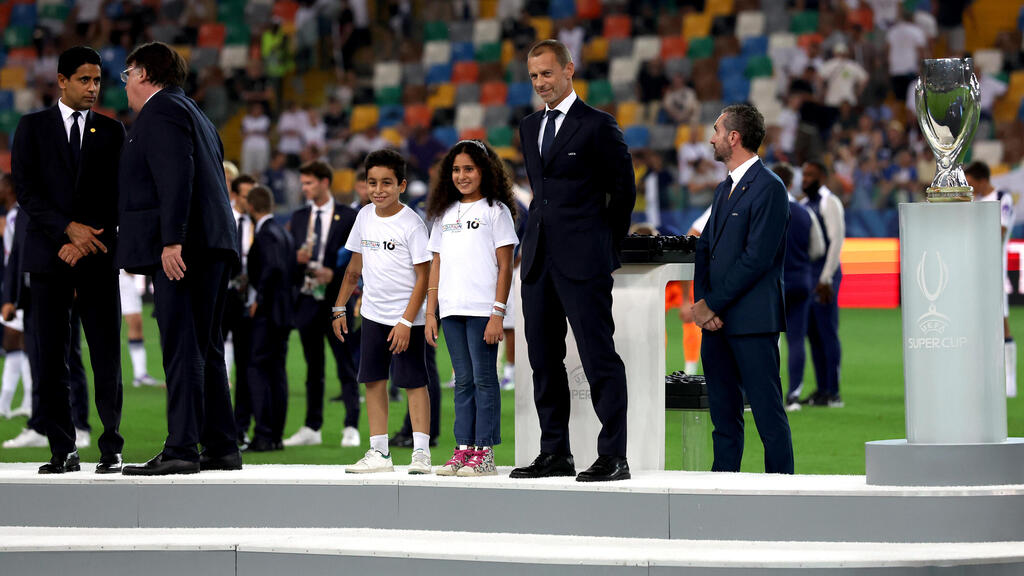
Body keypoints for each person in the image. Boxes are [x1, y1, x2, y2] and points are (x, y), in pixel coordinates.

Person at [510, 40, 636, 482]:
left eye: (547, 74)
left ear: (569, 70)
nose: (540, 83)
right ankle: (555, 452)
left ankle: (614, 456)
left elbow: (624, 194)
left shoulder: (599, 126)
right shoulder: (528, 127)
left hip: (584, 262)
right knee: (543, 360)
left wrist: (604, 246)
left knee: (598, 357)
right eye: (533, 77)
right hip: (538, 260)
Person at [117, 42, 240, 475]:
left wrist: (173, 241)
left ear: (146, 73)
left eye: (127, 74)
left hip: (186, 250)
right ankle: (223, 445)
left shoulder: (161, 111)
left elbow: (175, 175)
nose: (125, 84)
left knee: (182, 344)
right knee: (205, 347)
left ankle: (182, 448)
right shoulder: (195, 113)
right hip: (211, 245)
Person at [11, 46, 126, 475]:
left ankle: (111, 445)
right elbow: (26, 192)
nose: (93, 88)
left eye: (97, 80)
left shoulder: (113, 133)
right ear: (61, 80)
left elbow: (119, 196)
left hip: (95, 255)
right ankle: (63, 448)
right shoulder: (32, 127)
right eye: (84, 80)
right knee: (51, 358)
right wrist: (66, 230)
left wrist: (82, 239)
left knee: (105, 355)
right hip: (48, 258)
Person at [693, 103, 794, 474]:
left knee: (768, 417)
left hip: (752, 323)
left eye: (717, 131)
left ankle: (781, 494)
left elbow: (757, 259)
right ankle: (723, 490)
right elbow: (705, 248)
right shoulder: (724, 190)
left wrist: (711, 305)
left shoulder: (770, 188)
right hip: (717, 324)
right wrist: (702, 303)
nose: (712, 138)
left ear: (733, 138)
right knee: (724, 420)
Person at [333, 149, 433, 474]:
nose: (378, 189)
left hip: (407, 320)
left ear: (401, 185)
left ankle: (421, 453)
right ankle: (379, 453)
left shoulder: (413, 224)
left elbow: (425, 276)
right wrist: (339, 307)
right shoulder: (363, 216)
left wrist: (406, 321)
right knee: (373, 381)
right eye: (372, 182)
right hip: (373, 315)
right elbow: (353, 268)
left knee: (413, 382)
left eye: (387, 183)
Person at [424, 140, 518, 477]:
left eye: (469, 169)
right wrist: (430, 312)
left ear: (484, 170)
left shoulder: (497, 211)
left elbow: (505, 266)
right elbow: (435, 264)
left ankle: (485, 453)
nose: (461, 176)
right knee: (461, 381)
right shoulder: (444, 214)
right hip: (450, 309)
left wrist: (498, 313)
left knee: (484, 379)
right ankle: (463, 449)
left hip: (483, 310)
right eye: (456, 170)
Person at [284, 161, 361, 449]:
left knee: (345, 365)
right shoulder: (300, 216)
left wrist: (334, 274)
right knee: (312, 367)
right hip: (306, 299)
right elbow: (290, 256)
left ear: (325, 182)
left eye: (309, 183)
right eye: (303, 183)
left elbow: (359, 259)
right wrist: (296, 259)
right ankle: (311, 427)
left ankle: (351, 425)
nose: (305, 189)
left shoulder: (348, 216)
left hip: (336, 301)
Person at [245, 186, 295, 451]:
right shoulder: (283, 233)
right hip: (284, 313)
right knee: (277, 373)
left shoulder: (266, 234)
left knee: (258, 369)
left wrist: (259, 299)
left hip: (269, 314)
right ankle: (275, 435)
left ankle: (264, 434)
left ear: (251, 206)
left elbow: (273, 267)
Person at [772, 163, 826, 411]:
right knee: (796, 340)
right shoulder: (805, 213)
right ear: (792, 183)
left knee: (770, 340)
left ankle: (768, 394)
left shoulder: (767, 210)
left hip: (774, 283)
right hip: (801, 281)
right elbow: (818, 249)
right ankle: (793, 395)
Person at [965, 161, 1017, 397]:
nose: (969, 186)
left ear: (982, 180)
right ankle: (981, 378)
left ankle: (1009, 381)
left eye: (971, 182)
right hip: (972, 268)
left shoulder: (1002, 198)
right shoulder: (973, 202)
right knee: (975, 322)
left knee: (1001, 320)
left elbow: (1001, 231)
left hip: (995, 267)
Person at [800, 160, 845, 407]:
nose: (804, 179)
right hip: (809, 276)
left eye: (810, 175)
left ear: (822, 177)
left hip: (824, 277)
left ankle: (834, 392)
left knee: (827, 332)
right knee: (813, 334)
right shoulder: (805, 204)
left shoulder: (830, 202)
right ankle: (821, 389)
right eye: (804, 174)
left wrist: (826, 277)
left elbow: (836, 242)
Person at [0, 174, 32, 419]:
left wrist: (12, 295)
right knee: (16, 345)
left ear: (9, 188)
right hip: (19, 289)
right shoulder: (13, 216)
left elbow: (16, 257)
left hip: (23, 291)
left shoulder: (15, 217)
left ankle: (28, 403)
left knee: (18, 344)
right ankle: (7, 404)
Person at [119, 271, 162, 388]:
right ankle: (110, 376)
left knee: (136, 324)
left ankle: (140, 374)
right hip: (110, 273)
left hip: (125, 276)